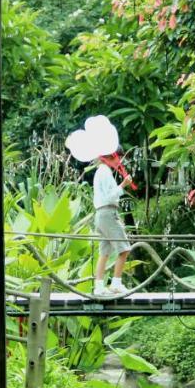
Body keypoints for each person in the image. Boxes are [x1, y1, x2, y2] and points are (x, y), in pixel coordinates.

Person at [66, 115, 135, 296]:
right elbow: (111, 195)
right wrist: (123, 185)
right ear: (111, 157)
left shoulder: (101, 171)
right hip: (107, 214)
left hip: (101, 215)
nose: (119, 162)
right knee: (124, 248)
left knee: (105, 251)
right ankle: (116, 283)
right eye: (117, 158)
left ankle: (99, 286)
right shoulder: (105, 172)